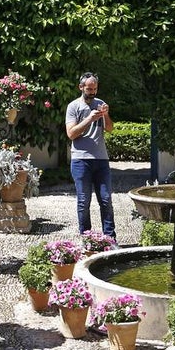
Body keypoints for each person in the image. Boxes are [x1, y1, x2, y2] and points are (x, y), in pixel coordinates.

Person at [65, 72, 115, 240]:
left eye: (95, 88)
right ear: (81, 87)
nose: (92, 92)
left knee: (106, 200)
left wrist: (105, 115)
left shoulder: (101, 104)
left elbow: (110, 129)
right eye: (89, 89)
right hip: (81, 160)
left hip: (101, 159)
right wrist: (89, 119)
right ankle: (87, 239)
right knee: (83, 202)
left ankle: (110, 239)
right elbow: (71, 134)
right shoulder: (73, 107)